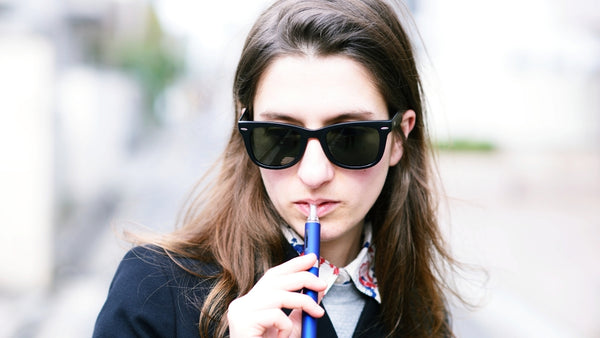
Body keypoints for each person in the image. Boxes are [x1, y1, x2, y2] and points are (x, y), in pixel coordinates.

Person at [94, 0, 458, 337]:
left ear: (399, 138)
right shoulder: (153, 290)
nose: (314, 175)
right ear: (245, 131)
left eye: (349, 137)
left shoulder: (423, 316)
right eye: (280, 137)